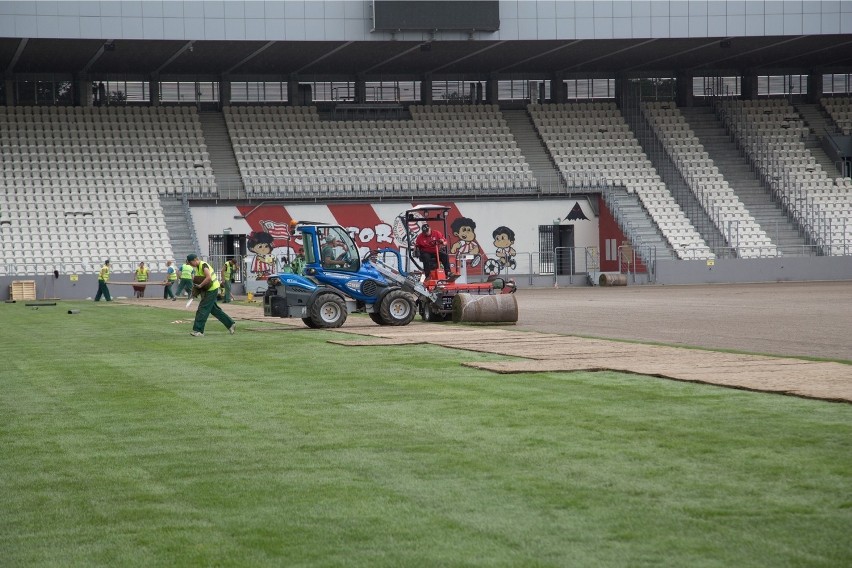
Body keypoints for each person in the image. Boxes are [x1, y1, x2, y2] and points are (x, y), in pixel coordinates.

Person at [187, 253, 235, 337]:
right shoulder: (198, 267)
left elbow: (208, 277)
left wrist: (200, 286)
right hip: (209, 289)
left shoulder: (203, 265)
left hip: (211, 290)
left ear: (195, 260)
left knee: (203, 309)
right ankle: (230, 324)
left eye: (190, 263)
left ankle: (199, 331)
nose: (190, 265)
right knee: (214, 310)